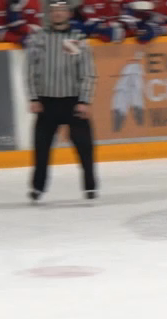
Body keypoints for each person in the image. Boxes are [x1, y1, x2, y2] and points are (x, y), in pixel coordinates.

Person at [24, 0, 97, 202]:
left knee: (85, 147)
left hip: (73, 102)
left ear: (68, 13)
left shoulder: (78, 38)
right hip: (46, 103)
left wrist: (84, 100)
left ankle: (90, 187)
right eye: (54, 10)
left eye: (61, 10)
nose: (58, 14)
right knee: (41, 148)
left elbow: (88, 73)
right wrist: (33, 97)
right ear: (49, 13)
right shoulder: (38, 39)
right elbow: (30, 70)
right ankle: (38, 188)